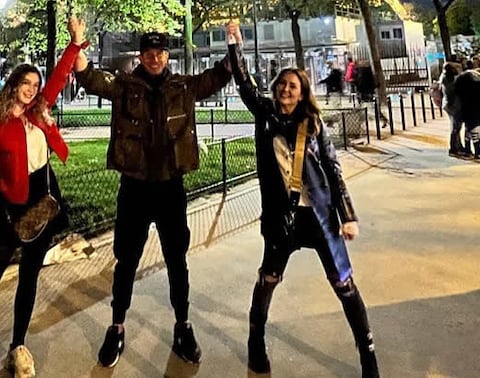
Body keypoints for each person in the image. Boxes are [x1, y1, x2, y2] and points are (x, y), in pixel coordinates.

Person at [71, 19, 233, 368]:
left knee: (177, 258)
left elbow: (219, 76)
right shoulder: (125, 86)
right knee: (126, 259)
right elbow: (89, 78)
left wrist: (233, 43)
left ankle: (183, 325)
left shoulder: (183, 87)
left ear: (166, 55)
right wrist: (78, 43)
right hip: (135, 186)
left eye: (160, 52)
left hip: (171, 185)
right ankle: (117, 326)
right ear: (141, 56)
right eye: (149, 52)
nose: (155, 58)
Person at [226, 22, 379, 377]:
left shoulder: (314, 124)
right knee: (268, 279)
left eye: (292, 86)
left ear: (302, 92)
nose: (284, 89)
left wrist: (348, 214)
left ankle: (367, 354)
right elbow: (244, 83)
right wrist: (236, 45)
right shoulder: (265, 114)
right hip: (282, 217)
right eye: (281, 84)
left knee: (344, 284)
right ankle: (256, 342)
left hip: (321, 217)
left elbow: (332, 168)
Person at [0, 21, 86, 378]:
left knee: (29, 279)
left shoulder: (41, 113)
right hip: (10, 214)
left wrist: (74, 44)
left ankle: (18, 346)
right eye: (26, 84)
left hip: (43, 210)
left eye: (35, 86)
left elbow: (58, 77)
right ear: (13, 86)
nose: (32, 90)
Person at [439, 61, 466, 157]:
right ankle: (453, 148)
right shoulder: (453, 80)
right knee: (456, 128)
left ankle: (458, 146)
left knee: (454, 126)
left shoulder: (443, 78)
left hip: (447, 104)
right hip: (454, 105)